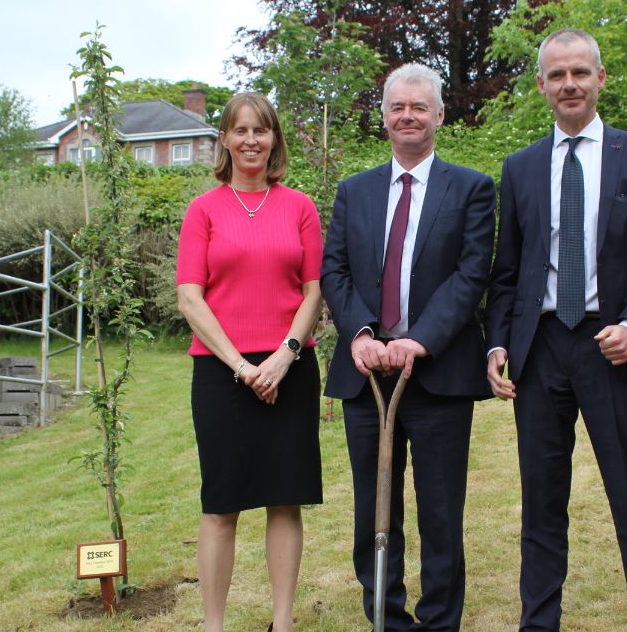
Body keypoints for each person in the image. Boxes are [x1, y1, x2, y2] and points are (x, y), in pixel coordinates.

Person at [484, 29, 627, 632]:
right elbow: (508, 270)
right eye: (557, 75)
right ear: (542, 85)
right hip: (540, 351)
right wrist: (497, 343)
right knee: (542, 501)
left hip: (611, 346)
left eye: (580, 73)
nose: (569, 84)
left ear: (600, 79)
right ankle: (538, 622)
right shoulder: (519, 168)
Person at [321, 63, 495, 632]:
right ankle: (385, 618)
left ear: (439, 116)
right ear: (385, 117)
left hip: (438, 374)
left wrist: (420, 338)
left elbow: (471, 275)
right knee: (375, 507)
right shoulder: (355, 191)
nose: (408, 116)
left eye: (420, 106)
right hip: (367, 375)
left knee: (442, 513)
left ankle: (440, 620)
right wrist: (364, 334)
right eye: (398, 106)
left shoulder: (472, 188)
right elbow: (336, 272)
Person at [175, 92, 324, 632]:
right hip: (222, 374)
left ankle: (281, 623)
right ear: (224, 140)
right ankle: (214, 625)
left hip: (291, 369)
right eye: (240, 130)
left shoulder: (300, 207)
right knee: (222, 504)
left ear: (274, 139)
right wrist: (242, 367)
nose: (251, 141)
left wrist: (284, 356)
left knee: (285, 501)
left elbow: (313, 292)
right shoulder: (203, 210)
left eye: (261, 131)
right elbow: (190, 297)